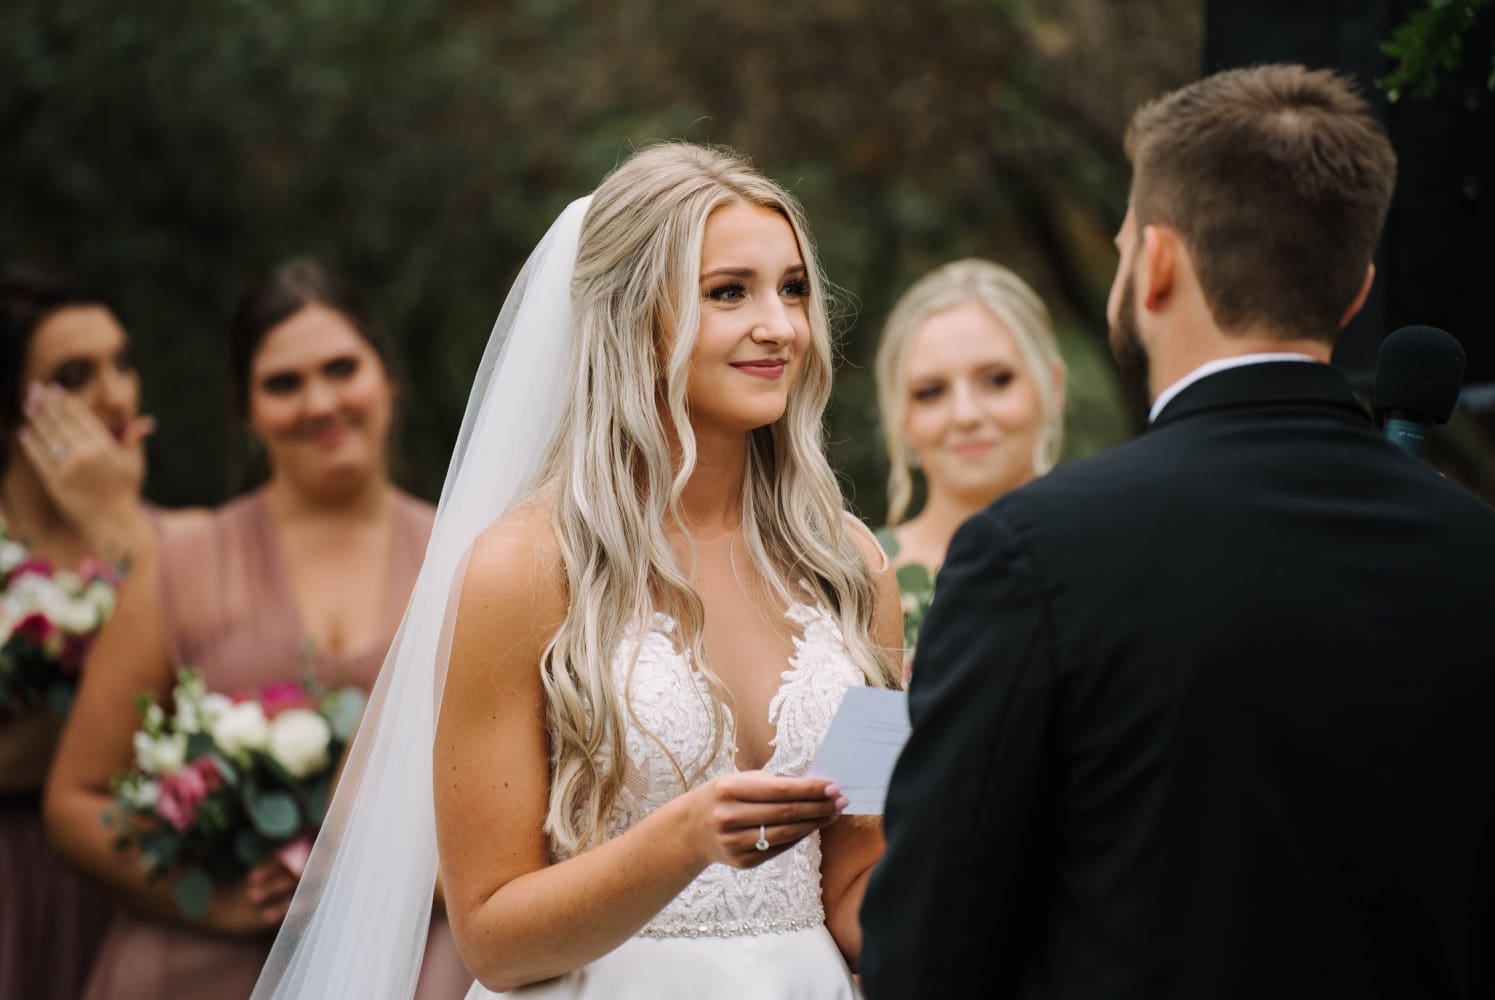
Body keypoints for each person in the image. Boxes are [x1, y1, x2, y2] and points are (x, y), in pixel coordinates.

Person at [862, 64, 1495, 999]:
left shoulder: (1037, 554)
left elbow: (927, 955)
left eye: (1121, 247)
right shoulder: (1481, 557)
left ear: (1155, 264)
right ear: (1356, 290)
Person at [250, 143, 903, 999]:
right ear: (635, 317)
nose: (779, 326)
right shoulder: (521, 570)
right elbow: (490, 938)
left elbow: (858, 882)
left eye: (791, 289)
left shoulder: (851, 569)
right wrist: (677, 845)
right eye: (728, 292)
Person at [43, 261, 469, 1000]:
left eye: (342, 369)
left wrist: (402, 884)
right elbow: (75, 800)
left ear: (387, 378)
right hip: (199, 969)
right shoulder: (180, 566)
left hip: (409, 968)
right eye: (284, 383)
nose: (320, 402)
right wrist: (215, 895)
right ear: (246, 409)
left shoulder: (468, 559)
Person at [0, 264, 155, 1000]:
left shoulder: (167, 544)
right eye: (73, 376)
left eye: (122, 363)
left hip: (140, 884)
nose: (115, 395)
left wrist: (119, 528)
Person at [871, 259, 1064, 664]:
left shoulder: (1113, 555)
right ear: (900, 417)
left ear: (1053, 388)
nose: (966, 414)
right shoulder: (854, 579)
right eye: (930, 391)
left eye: (996, 380)